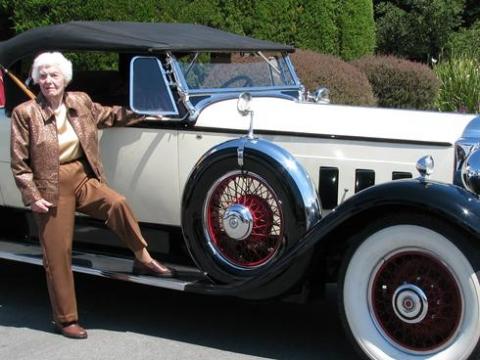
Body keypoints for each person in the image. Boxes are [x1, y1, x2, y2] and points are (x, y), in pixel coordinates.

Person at [10, 52, 175, 340]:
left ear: (65, 78)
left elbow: (110, 115)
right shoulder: (26, 113)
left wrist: (145, 112)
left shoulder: (80, 101)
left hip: (82, 176)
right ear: (37, 80)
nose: (49, 81)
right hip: (49, 186)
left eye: (54, 75)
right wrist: (32, 195)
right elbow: (19, 163)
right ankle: (66, 320)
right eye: (44, 76)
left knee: (117, 203)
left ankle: (143, 257)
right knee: (58, 254)